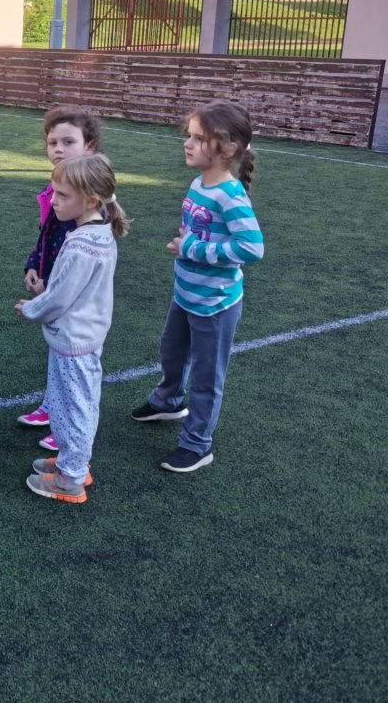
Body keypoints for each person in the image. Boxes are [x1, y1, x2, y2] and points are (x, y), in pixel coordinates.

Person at [131, 101, 264, 473]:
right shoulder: (198, 184)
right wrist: (188, 241)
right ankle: (168, 401)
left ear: (228, 148)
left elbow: (252, 248)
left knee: (207, 377)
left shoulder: (230, 196)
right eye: (188, 136)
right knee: (171, 350)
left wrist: (190, 248)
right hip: (186, 293)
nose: (187, 144)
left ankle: (197, 444)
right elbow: (201, 231)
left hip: (215, 304)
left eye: (198, 138)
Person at [16, 154, 129, 504]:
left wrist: (31, 309)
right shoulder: (98, 233)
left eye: (63, 195)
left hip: (74, 341)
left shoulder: (81, 244)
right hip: (82, 337)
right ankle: (71, 462)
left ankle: (71, 478)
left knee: (73, 407)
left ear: (91, 200)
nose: (54, 201)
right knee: (73, 403)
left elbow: (60, 296)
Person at [17, 107, 104, 452]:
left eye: (69, 142)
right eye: (53, 142)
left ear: (89, 147)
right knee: (57, 358)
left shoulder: (89, 197)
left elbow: (80, 264)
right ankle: (53, 407)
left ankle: (69, 424)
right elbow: (46, 235)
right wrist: (33, 265)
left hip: (75, 302)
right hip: (54, 288)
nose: (58, 149)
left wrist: (48, 290)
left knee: (75, 368)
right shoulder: (59, 186)